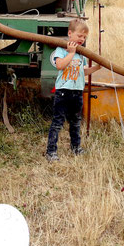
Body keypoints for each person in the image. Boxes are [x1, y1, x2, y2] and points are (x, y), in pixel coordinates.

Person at [45, 18, 101, 162]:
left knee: (76, 121)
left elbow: (83, 71)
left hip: (77, 92)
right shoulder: (61, 50)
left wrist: (96, 68)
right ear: (70, 34)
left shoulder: (80, 54)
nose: (82, 39)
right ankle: (51, 151)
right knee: (58, 122)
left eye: (84, 37)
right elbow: (60, 65)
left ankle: (76, 147)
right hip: (63, 91)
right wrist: (70, 52)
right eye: (79, 36)